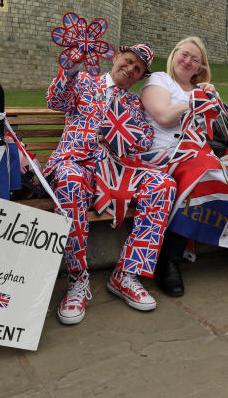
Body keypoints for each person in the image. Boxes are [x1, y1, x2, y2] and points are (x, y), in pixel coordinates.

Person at [44, 44, 176, 325]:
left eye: (137, 69)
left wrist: (121, 136)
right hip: (77, 163)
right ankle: (78, 281)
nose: (130, 69)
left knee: (163, 184)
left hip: (116, 170)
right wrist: (71, 69)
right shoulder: (83, 81)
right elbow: (55, 101)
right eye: (128, 61)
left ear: (141, 77)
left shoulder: (133, 103)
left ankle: (126, 274)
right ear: (116, 58)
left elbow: (144, 139)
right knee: (69, 180)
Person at [140, 36, 228, 296]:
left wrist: (212, 100)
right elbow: (164, 116)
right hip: (166, 155)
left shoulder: (203, 90)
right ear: (174, 54)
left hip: (201, 154)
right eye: (184, 55)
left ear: (201, 67)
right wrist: (197, 101)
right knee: (207, 173)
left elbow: (223, 133)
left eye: (195, 60)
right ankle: (169, 258)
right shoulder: (160, 80)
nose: (188, 62)